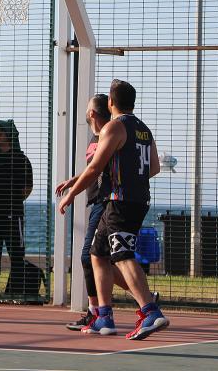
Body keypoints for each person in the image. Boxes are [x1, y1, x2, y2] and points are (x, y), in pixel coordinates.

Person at [58, 79, 168, 340]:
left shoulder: (114, 127)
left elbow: (95, 168)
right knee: (97, 253)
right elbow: (154, 168)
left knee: (122, 254)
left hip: (121, 200)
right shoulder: (144, 130)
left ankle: (150, 310)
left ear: (110, 101)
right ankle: (103, 316)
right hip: (135, 199)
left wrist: (70, 195)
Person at [0, 120, 33, 302]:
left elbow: (28, 187)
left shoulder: (21, 159)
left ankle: (17, 291)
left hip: (13, 212)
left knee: (16, 252)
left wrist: (13, 201)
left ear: (9, 135)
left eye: (1, 133)